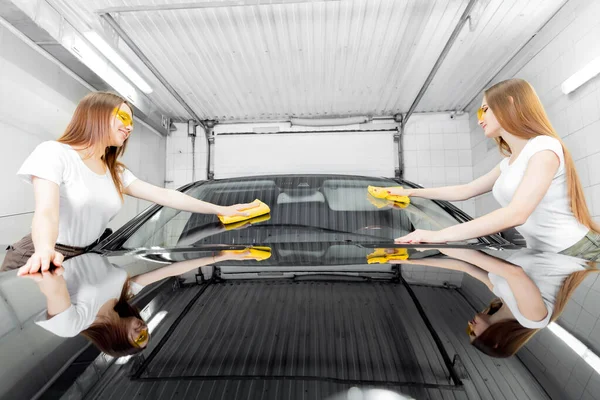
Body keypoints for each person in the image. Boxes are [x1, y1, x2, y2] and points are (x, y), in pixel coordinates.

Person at [2, 92, 259, 273]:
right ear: (96, 115)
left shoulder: (115, 171)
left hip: (86, 257)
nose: (130, 128)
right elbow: (46, 211)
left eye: (132, 122)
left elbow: (167, 196)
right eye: (122, 118)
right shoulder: (55, 153)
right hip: (39, 256)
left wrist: (221, 210)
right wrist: (45, 249)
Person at [390, 79, 599, 260]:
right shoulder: (508, 163)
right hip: (546, 256)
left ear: (509, 103)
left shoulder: (544, 147)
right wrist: (410, 193)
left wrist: (437, 235)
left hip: (581, 251)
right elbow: (466, 190)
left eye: (485, 110)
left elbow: (516, 214)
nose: (479, 118)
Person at [21, 249, 258, 357]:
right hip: (85, 238)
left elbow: (51, 283)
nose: (144, 329)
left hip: (54, 247)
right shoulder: (123, 297)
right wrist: (218, 257)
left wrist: (48, 251)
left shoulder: (74, 325)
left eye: (141, 337)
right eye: (147, 333)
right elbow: (167, 273)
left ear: (117, 342)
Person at [396, 248, 597, 357]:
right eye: (474, 333)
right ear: (496, 340)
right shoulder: (532, 319)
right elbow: (513, 272)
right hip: (574, 248)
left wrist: (409, 260)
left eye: (469, 333)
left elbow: (464, 266)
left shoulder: (502, 297)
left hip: (552, 244)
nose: (469, 327)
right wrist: (439, 244)